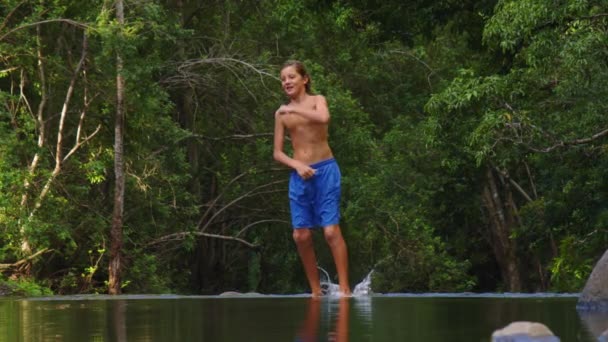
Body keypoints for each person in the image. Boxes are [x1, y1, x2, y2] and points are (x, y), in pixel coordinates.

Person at [273, 60, 351, 296]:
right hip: (300, 176)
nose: (286, 81)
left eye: (291, 77)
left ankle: (345, 290)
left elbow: (324, 118)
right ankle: (316, 291)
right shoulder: (281, 114)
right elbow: (277, 153)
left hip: (326, 171)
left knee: (329, 231)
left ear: (304, 79)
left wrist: (294, 108)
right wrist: (296, 164)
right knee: (301, 235)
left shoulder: (318, 100)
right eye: (283, 79)